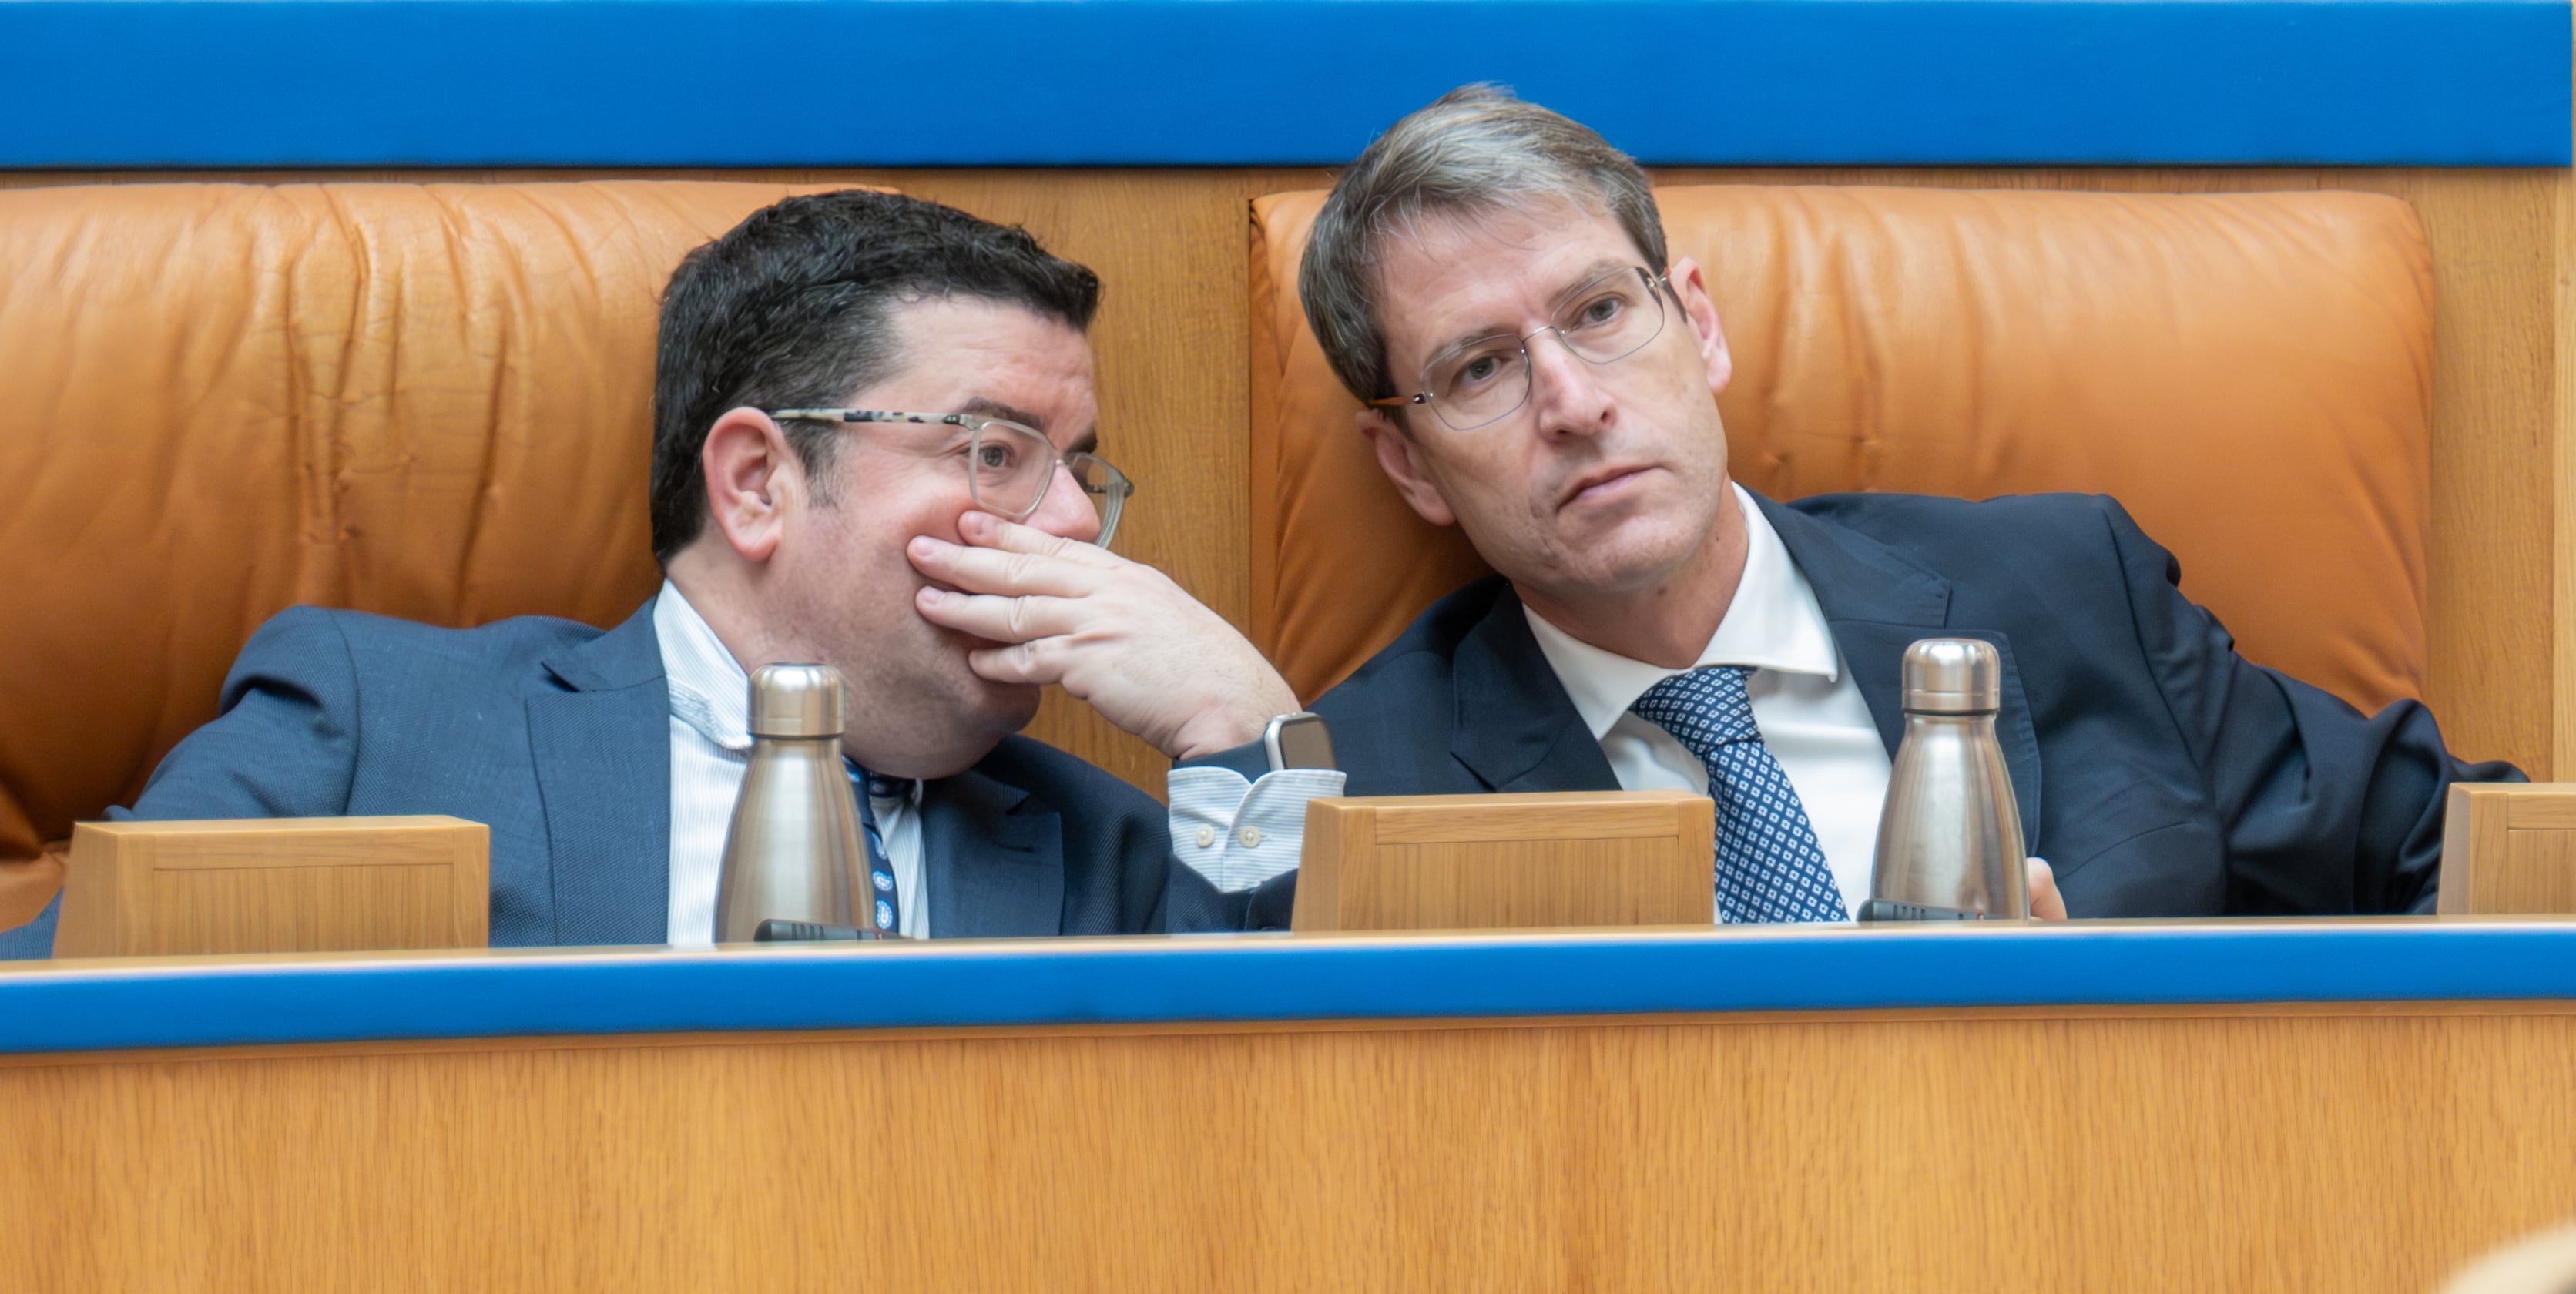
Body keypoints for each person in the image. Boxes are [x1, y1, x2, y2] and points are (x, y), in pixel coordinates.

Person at [1156, 85, 2518, 919]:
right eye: (1479, 368)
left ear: (1698, 326)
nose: (1571, 401)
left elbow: (2459, 866)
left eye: (1600, 311)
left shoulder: (2070, 589)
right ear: (1408, 464)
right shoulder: (1372, 787)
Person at [0, 189, 1319, 957]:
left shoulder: (1113, 850)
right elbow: (62, 1071)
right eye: (995, 452)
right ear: (755, 482)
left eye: (1078, 467)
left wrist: (1247, 733)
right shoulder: (374, 728)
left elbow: (1287, 1150)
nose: (1075, 524)